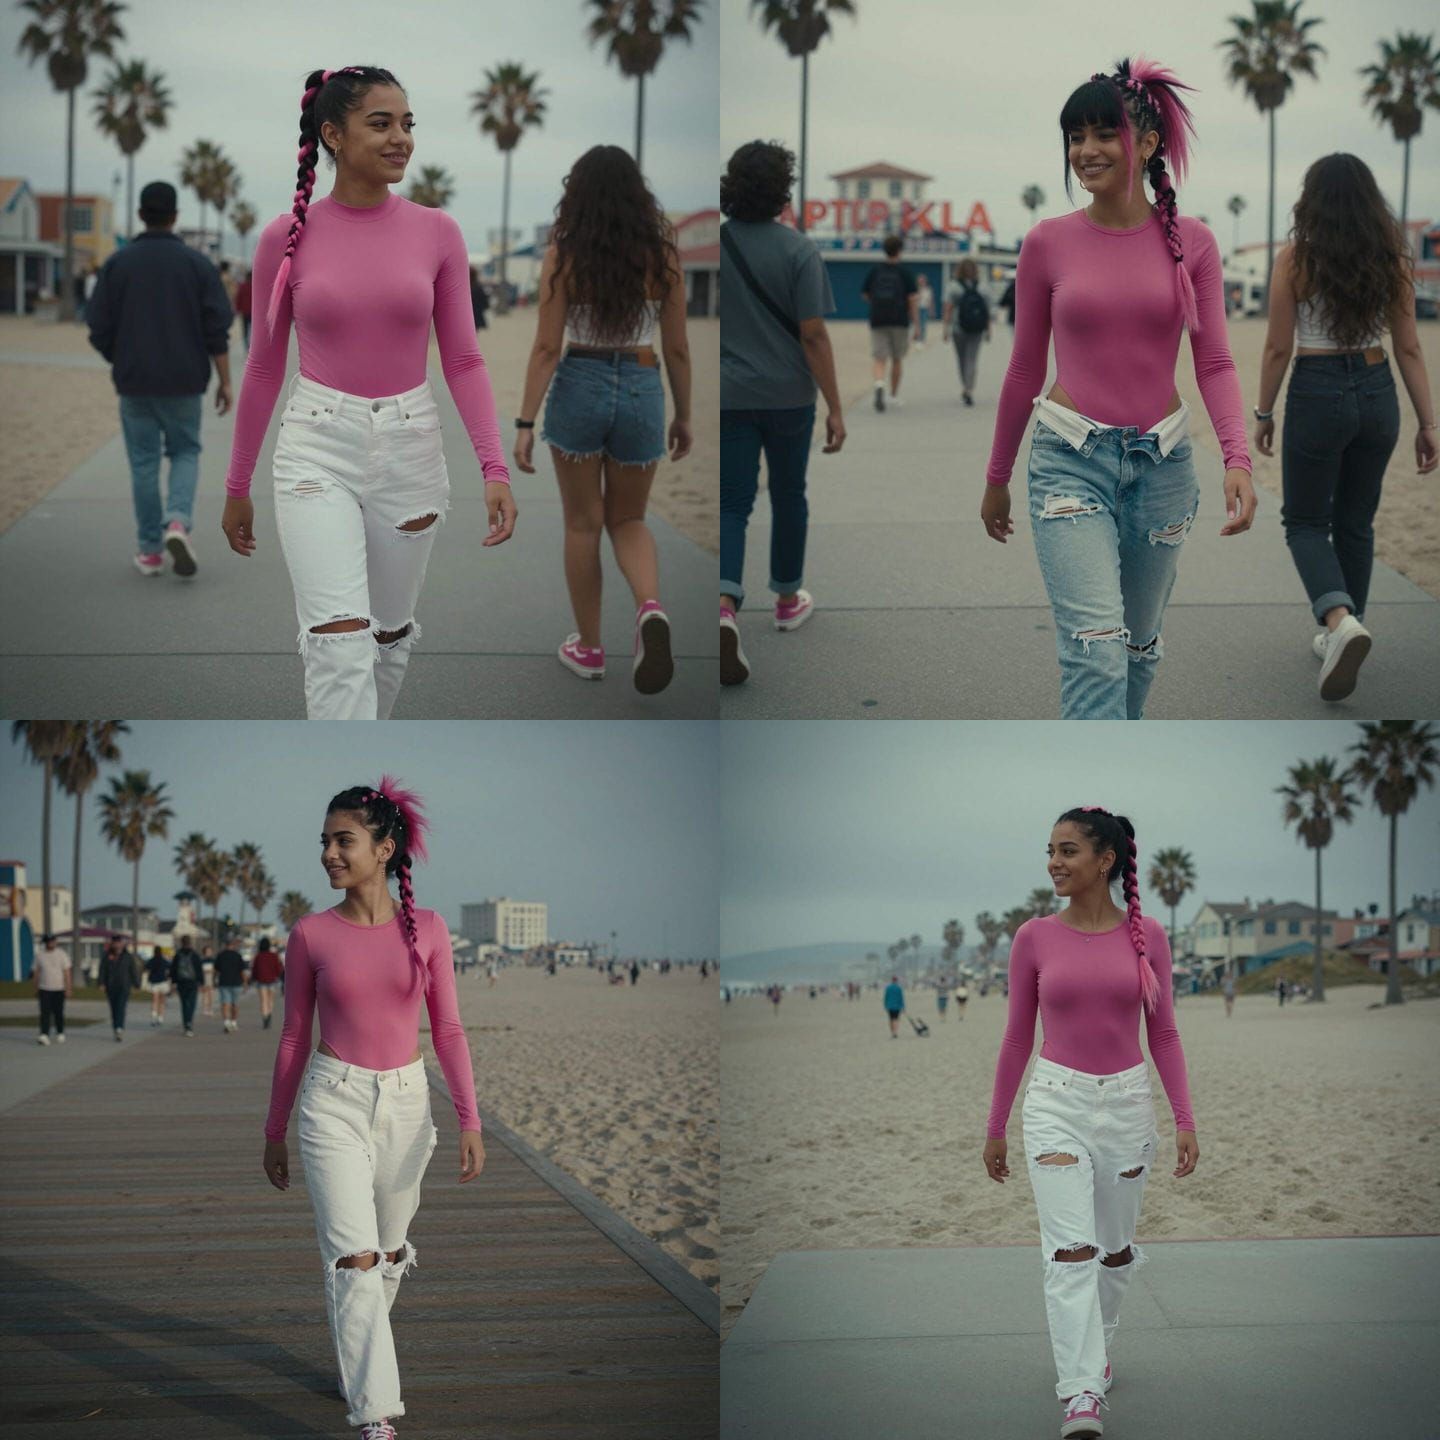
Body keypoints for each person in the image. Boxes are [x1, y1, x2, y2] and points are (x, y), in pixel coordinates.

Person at [222, 66, 517, 721]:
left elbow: (464, 359)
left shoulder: (439, 233)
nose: (401, 139)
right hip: (315, 452)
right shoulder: (285, 238)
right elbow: (265, 367)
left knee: (386, 642)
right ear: (332, 134)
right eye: (381, 123)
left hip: (410, 450)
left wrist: (494, 466)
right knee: (338, 647)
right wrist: (237, 483)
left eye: (408, 124)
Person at [981, 57, 1257, 721]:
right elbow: (1024, 367)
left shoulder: (1194, 244)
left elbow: (1214, 360)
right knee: (1096, 652)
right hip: (1069, 464)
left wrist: (1237, 457)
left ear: (1150, 144)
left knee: (1137, 652)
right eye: (1075, 136)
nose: (1086, 150)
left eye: (1105, 133)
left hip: (1163, 471)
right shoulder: (1047, 243)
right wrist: (997, 475)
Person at [261, 778, 483, 1440]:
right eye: (325, 841)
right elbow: (295, 1035)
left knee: (386, 1256)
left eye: (343, 840)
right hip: (333, 1103)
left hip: (409, 1107)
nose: (329, 853)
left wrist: (471, 1118)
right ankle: (374, 1415)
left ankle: (358, 1364)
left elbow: (448, 1031)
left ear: (385, 849)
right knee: (354, 1258)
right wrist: (275, 1129)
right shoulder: (309, 934)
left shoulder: (432, 930)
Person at [982, 806, 1198, 1439]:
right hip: (1055, 1103)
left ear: (1106, 860)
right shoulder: (1033, 937)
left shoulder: (1149, 935)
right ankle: (1079, 1394)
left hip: (1129, 1104)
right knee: (1070, 1252)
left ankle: (1098, 1350)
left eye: (1068, 850)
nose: (1054, 861)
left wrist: (1185, 1117)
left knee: (1113, 1251)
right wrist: (996, 1125)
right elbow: (1018, 1037)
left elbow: (1164, 1032)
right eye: (1050, 850)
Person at [1251, 153, 1438, 702]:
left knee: (1306, 522)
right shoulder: (1392, 260)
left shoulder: (1295, 260)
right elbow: (1409, 344)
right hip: (1379, 390)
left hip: (1317, 389)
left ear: (1312, 201)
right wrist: (1430, 423)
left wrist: (1263, 413)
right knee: (1356, 523)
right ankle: (1345, 625)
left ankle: (1338, 622)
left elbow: (1278, 346)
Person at [513, 146, 691, 695]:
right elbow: (679, 348)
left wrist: (524, 422)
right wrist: (684, 414)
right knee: (630, 520)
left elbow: (546, 346)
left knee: (583, 523)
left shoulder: (563, 255)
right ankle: (650, 609)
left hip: (580, 383)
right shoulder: (662, 254)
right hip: (642, 383)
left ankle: (589, 648)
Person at [719, 141, 846, 685]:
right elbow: (813, 334)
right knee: (790, 493)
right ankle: (787, 599)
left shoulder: (721, 244)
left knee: (733, 502)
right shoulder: (799, 250)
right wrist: (836, 407)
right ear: (782, 189)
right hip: (791, 397)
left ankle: (724, 606)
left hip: (730, 394)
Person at [86, 180, 233, 580]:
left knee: (144, 463)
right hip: (185, 380)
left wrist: (120, 356)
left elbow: (97, 325)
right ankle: (177, 523)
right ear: (175, 217)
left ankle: (150, 551)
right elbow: (217, 329)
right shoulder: (198, 265)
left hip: (134, 381)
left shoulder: (118, 264)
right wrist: (225, 381)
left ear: (140, 215)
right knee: (185, 451)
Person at [862, 234, 919, 412]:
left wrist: (877, 304)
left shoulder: (875, 271)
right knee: (897, 359)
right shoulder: (905, 272)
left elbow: (864, 294)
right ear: (899, 251)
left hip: (878, 319)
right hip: (899, 320)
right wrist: (916, 323)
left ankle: (879, 384)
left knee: (879, 358)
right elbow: (912, 299)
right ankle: (893, 395)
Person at [943, 259, 993, 406]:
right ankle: (969, 389)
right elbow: (987, 311)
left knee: (962, 359)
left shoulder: (953, 287)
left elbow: (948, 309)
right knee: (972, 359)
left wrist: (945, 328)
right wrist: (988, 329)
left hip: (958, 328)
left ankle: (965, 386)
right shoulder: (983, 287)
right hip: (977, 328)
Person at [34, 933, 72, 1045]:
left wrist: (68, 988)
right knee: (44, 1013)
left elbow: (67, 972)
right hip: (44, 988)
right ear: (45, 943)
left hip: (59, 989)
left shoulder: (62, 954)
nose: (50, 943)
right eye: (48, 942)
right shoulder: (40, 955)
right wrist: (35, 987)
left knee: (58, 1012)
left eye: (52, 941)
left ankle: (60, 1032)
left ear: (55, 942)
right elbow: (36, 972)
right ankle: (44, 1034)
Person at [99, 937, 137, 1041]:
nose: (117, 945)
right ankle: (116, 1027)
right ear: (112, 944)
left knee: (121, 1007)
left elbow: (133, 970)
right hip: (111, 986)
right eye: (115, 943)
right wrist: (101, 983)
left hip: (124, 986)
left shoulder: (127, 956)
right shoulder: (107, 955)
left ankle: (120, 1028)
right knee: (114, 1008)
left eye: (119, 943)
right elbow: (102, 969)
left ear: (122, 944)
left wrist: (136, 984)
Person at [214, 935, 248, 1032]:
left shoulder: (220, 955)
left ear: (225, 945)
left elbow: (216, 970)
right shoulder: (238, 956)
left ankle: (226, 1022)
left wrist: (214, 981)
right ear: (233, 945)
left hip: (224, 982)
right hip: (236, 983)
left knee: (225, 1003)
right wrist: (245, 983)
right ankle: (234, 1022)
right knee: (235, 1004)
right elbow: (242, 971)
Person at [171, 934, 202, 1037]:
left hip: (181, 982)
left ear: (181, 942)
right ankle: (190, 1023)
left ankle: (186, 1024)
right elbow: (198, 969)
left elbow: (173, 969)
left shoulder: (178, 955)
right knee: (192, 1004)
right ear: (190, 942)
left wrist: (173, 982)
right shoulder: (194, 955)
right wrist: (201, 982)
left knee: (184, 1004)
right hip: (192, 982)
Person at [252, 936, 284, 1028]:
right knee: (270, 1000)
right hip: (272, 981)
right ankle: (269, 1014)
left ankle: (265, 1017)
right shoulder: (273, 956)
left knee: (263, 1001)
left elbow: (255, 969)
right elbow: (278, 968)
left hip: (261, 981)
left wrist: (254, 978)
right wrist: (277, 975)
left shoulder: (258, 956)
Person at [146, 945, 173, 1026]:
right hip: (163, 982)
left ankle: (153, 1017)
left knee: (154, 1000)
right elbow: (170, 967)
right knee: (162, 1001)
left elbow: (146, 967)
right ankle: (160, 1017)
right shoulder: (164, 960)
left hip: (154, 982)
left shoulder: (151, 960)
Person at [234, 267, 253, 352]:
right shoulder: (256, 286)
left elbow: (238, 298)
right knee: (254, 330)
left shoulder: (242, 286)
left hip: (245, 311)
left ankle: (247, 346)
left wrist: (238, 309)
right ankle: (253, 345)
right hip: (254, 313)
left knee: (245, 329)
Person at [200, 940, 217, 1017]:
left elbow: (215, 970)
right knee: (205, 995)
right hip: (204, 978)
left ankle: (210, 1009)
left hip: (211, 978)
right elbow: (200, 970)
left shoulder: (213, 960)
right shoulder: (202, 960)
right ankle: (204, 1009)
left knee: (211, 995)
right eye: (207, 951)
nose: (209, 953)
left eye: (210, 951)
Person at [916, 274, 934, 345]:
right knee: (917, 323)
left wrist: (931, 310)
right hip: (917, 308)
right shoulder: (916, 289)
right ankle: (917, 337)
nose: (921, 282)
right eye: (920, 281)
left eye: (923, 280)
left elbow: (931, 300)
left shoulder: (928, 289)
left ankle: (922, 338)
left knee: (923, 324)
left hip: (925, 308)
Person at [469, 266, 490, 330]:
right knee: (474, 332)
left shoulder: (463, 288)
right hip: (477, 315)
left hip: (465, 315)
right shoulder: (478, 287)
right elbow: (485, 303)